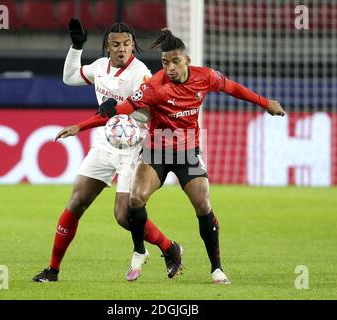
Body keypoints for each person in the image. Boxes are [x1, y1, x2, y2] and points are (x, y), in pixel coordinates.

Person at [54, 28, 285, 284]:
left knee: (203, 204)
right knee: (136, 199)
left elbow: (232, 87)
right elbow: (126, 107)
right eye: (165, 62)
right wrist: (95, 118)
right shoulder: (154, 86)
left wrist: (265, 103)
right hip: (157, 149)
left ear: (186, 60)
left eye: (175, 61)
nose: (170, 68)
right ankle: (140, 251)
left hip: (187, 149)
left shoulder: (205, 77)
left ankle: (217, 268)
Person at [32, 21, 182, 282]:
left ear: (133, 44)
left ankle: (170, 248)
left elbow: (151, 114)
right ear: (107, 47)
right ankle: (53, 270)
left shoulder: (140, 73)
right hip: (105, 144)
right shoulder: (100, 67)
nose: (122, 49)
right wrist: (76, 47)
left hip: (134, 149)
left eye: (126, 44)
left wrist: (121, 108)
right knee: (76, 201)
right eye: (115, 44)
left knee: (124, 216)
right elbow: (69, 78)